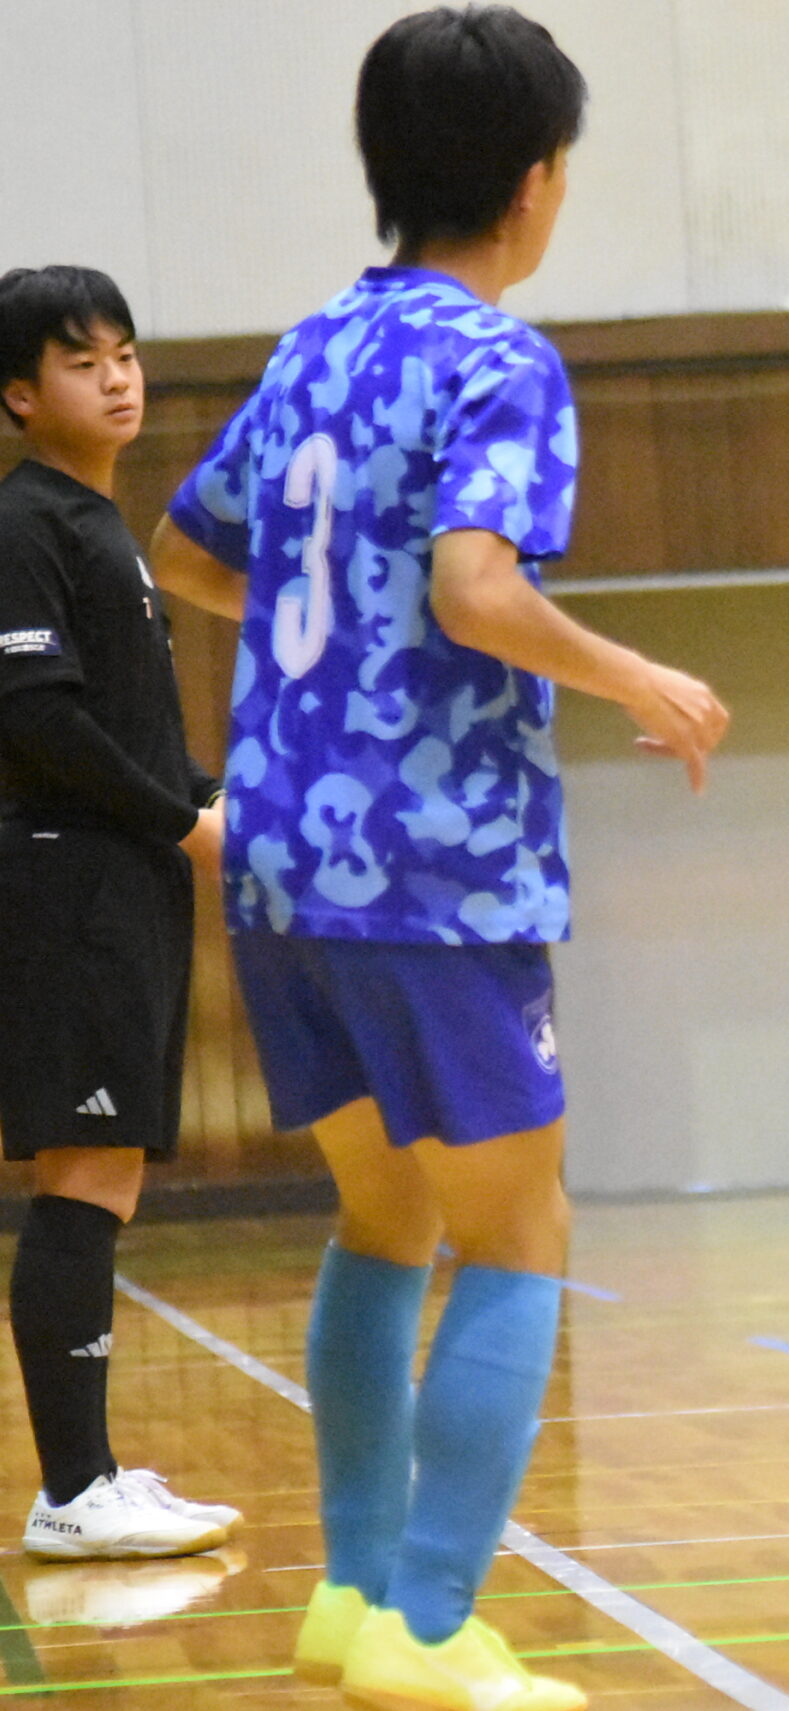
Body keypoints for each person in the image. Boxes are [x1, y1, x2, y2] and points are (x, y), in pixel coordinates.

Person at [150, 9, 727, 1707]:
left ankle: (348, 1597)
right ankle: (425, 1627)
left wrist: (330, 644)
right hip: (435, 871)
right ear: (538, 181)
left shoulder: (311, 349)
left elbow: (184, 548)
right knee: (520, 1232)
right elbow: (478, 589)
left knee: (383, 1217)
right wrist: (636, 677)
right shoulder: (500, 361)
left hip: (277, 862)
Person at [0, 266, 242, 1563]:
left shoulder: (101, 529)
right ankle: (73, 1490)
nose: (118, 379)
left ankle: (89, 1475)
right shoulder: (25, 526)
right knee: (82, 1171)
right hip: (70, 884)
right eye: (82, 361)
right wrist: (178, 820)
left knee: (110, 1173)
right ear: (18, 394)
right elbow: (39, 722)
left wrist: (209, 798)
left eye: (128, 354)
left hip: (121, 880)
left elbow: (131, 734)